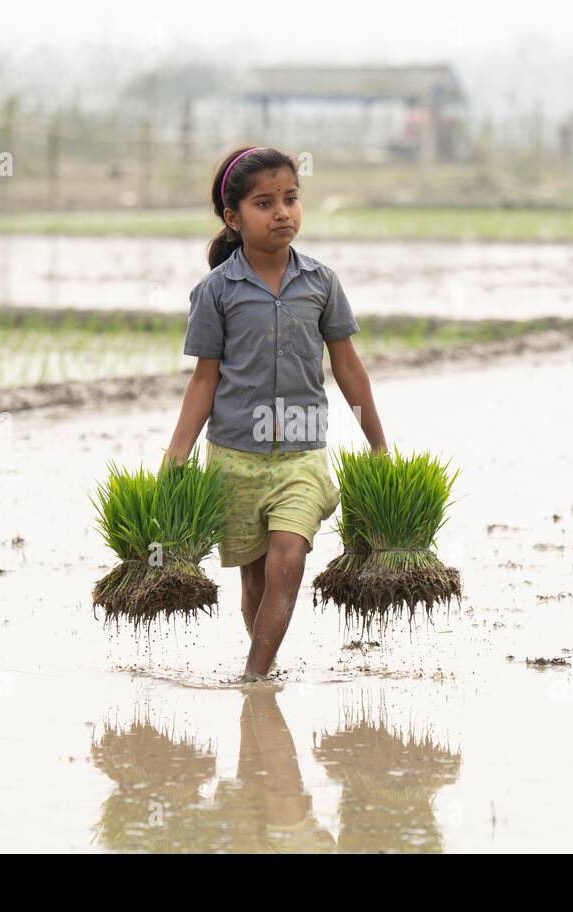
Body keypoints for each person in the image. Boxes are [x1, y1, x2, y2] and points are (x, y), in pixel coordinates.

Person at [163, 145, 387, 682]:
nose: (283, 212)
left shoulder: (321, 283)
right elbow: (204, 379)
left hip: (301, 454)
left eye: (290, 198)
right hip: (235, 455)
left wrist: (379, 444)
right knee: (256, 583)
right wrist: (177, 452)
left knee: (289, 557)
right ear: (233, 219)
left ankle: (253, 677)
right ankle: (265, 674)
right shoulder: (216, 292)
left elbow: (349, 368)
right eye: (265, 204)